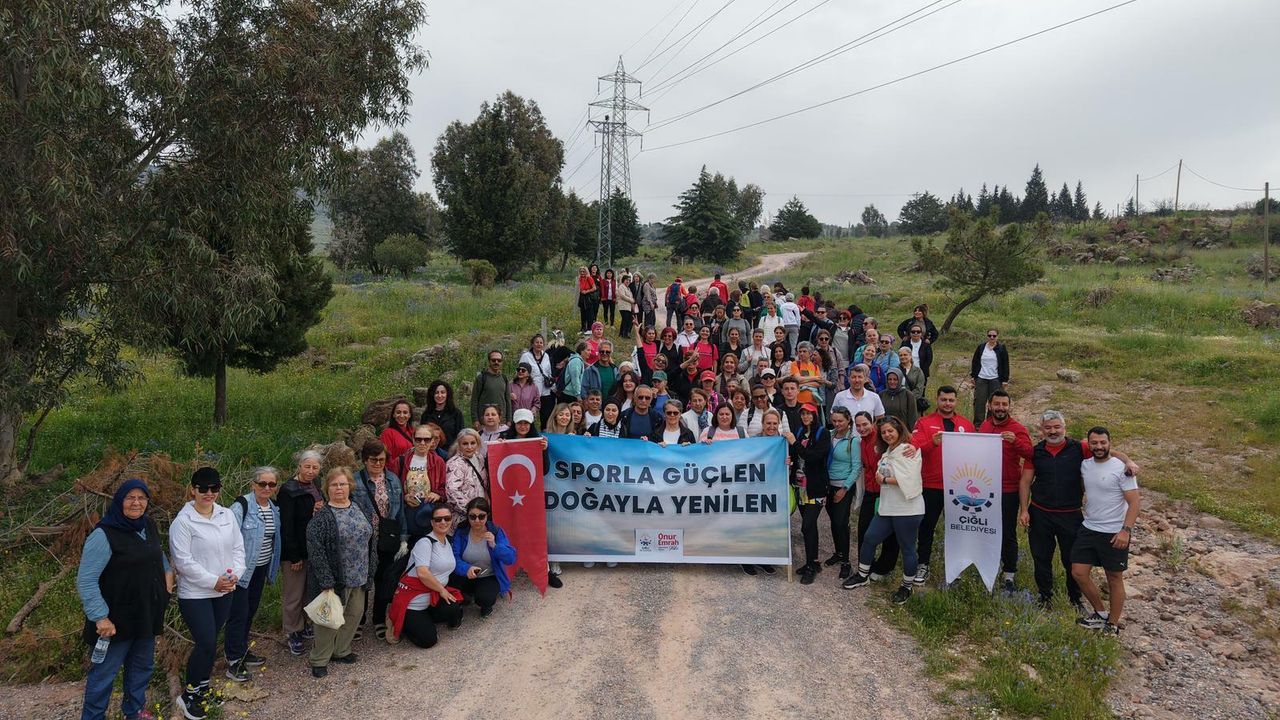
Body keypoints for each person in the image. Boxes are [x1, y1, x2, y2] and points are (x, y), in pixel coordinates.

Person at [1020, 412, 1140, 611]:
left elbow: (1106, 451)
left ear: (1064, 428)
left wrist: (1128, 461)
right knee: (1041, 557)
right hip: (1040, 513)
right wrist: (1024, 510)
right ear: (1041, 430)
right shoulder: (1036, 452)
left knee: (1072, 560)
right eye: (1048, 427)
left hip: (1071, 514)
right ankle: (1045, 597)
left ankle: (1075, 599)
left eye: (1057, 427)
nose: (1053, 431)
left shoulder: (1079, 448)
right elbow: (1025, 481)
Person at [77, 479, 173, 720]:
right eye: (130, 497)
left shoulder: (148, 525)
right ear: (119, 501)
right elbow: (86, 580)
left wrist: (166, 585)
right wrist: (100, 617)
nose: (136, 503)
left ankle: (135, 712)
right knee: (104, 675)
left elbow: (158, 556)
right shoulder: (104, 535)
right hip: (113, 622)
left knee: (141, 669)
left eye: (141, 498)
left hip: (145, 616)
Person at [171, 468, 244, 718]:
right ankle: (189, 695)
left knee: (212, 641)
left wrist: (235, 575)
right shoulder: (183, 522)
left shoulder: (227, 515)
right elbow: (183, 561)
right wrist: (213, 582)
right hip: (196, 594)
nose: (209, 493)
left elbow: (238, 548)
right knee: (205, 641)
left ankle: (202, 687)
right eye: (203, 488)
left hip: (225, 589)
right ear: (193, 490)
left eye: (214, 488)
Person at [842, 416, 924, 605]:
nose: (887, 434)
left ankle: (906, 587)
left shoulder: (908, 449)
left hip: (907, 509)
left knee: (908, 548)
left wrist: (885, 480)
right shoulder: (887, 452)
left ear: (899, 430)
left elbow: (910, 478)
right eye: (884, 432)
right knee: (870, 538)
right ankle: (863, 575)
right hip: (887, 507)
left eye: (890, 431)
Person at [305, 467, 376, 678]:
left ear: (350, 486)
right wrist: (326, 580)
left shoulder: (360, 507)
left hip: (360, 574)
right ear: (327, 488)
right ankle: (319, 659)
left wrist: (371, 568)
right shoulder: (322, 518)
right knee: (328, 621)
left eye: (343, 484)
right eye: (334, 485)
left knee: (354, 615)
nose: (339, 488)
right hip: (336, 579)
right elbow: (316, 551)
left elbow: (371, 538)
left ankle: (341, 650)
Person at [1073, 427, 1140, 635]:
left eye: (1103, 442)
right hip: (1089, 527)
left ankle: (1112, 624)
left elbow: (1135, 502)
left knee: (1114, 577)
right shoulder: (1085, 465)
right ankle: (1100, 614)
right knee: (1078, 572)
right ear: (1089, 444)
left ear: (1110, 442)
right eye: (1094, 443)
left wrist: (1125, 530)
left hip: (1114, 531)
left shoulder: (1122, 469)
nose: (1099, 446)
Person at [909, 386, 975, 586]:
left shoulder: (966, 424)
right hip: (932, 485)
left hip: (959, 487)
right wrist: (932, 443)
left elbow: (975, 452)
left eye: (951, 400)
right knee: (927, 526)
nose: (947, 403)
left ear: (956, 401)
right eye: (944, 399)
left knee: (957, 528)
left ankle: (956, 567)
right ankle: (923, 564)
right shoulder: (924, 422)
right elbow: (914, 449)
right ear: (937, 400)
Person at [223, 467, 281, 682]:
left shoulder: (274, 508)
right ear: (253, 484)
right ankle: (233, 659)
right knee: (238, 614)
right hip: (241, 571)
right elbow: (227, 538)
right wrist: (230, 570)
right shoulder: (241, 506)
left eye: (271, 484)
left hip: (261, 568)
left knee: (250, 610)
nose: (267, 488)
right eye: (262, 483)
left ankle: (242, 649)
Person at [349, 439, 408, 641]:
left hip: (387, 537)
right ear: (365, 460)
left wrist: (403, 537)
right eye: (373, 459)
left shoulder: (393, 480)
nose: (377, 463)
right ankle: (359, 619)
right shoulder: (354, 481)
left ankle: (379, 618)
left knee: (384, 579)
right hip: (364, 538)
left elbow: (400, 511)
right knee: (363, 581)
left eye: (381, 460)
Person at [978, 390, 1034, 592]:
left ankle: (1009, 572)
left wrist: (1015, 442)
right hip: (985, 487)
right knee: (985, 528)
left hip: (1008, 489)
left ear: (1010, 406)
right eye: (997, 404)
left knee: (1007, 532)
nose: (1000, 408)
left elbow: (1031, 454)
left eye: (1004, 404)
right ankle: (988, 566)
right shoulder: (985, 426)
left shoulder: (1018, 429)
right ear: (990, 405)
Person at [387, 504, 465, 647]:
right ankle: (401, 621)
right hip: (413, 602)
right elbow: (423, 573)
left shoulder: (447, 542)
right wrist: (442, 590)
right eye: (438, 519)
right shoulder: (425, 543)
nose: (443, 522)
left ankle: (424, 620)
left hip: (432, 597)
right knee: (428, 641)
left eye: (447, 518)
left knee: (453, 608)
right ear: (432, 522)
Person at [279, 451, 324, 656]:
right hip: (295, 551)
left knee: (308, 591)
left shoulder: (317, 484)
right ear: (299, 466)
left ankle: (305, 624)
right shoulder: (288, 490)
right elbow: (286, 525)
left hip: (312, 548)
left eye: (315, 467)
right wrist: (293, 556)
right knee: (294, 594)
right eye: (307, 467)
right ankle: (293, 631)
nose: (311, 471)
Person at [849, 411, 899, 582]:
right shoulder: (861, 441)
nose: (861, 428)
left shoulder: (882, 436)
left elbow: (902, 443)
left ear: (872, 423)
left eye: (865, 424)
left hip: (887, 490)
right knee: (864, 529)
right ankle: (865, 566)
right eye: (858, 425)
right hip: (870, 492)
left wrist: (912, 447)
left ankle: (885, 568)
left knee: (890, 532)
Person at [449, 497, 517, 618]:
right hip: (466, 575)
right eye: (472, 517)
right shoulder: (462, 531)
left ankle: (485, 603)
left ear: (487, 516)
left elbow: (510, 559)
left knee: (484, 598)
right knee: (449, 581)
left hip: (488, 576)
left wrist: (495, 546)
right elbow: (455, 557)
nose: (477, 520)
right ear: (467, 516)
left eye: (481, 516)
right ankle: (465, 596)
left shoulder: (495, 531)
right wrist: (466, 569)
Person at [792, 403, 832, 585]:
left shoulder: (822, 434)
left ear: (815, 415)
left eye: (809, 414)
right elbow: (797, 455)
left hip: (816, 487)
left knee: (807, 525)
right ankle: (813, 561)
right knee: (810, 526)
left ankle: (810, 566)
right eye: (803, 414)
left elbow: (814, 457)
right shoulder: (801, 432)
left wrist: (794, 443)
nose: (805, 417)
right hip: (801, 486)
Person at [824, 407, 861, 579]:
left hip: (843, 485)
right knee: (834, 521)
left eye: (840, 421)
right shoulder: (829, 435)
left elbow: (857, 467)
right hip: (828, 484)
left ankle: (846, 561)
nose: (837, 424)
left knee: (841, 522)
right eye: (834, 420)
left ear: (848, 421)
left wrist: (845, 488)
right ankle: (838, 553)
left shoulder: (853, 441)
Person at [393, 426, 447, 543]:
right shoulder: (401, 461)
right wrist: (404, 497)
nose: (422, 443)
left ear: (432, 441)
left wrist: (437, 495)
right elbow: (392, 488)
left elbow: (445, 489)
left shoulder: (439, 462)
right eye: (418, 439)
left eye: (426, 440)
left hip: (429, 514)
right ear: (413, 439)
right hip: (407, 514)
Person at [445, 429, 488, 530]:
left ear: (478, 443)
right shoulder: (455, 463)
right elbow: (452, 491)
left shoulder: (479, 458)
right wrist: (471, 511)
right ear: (459, 445)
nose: (469, 447)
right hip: (464, 518)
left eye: (472, 443)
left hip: (481, 515)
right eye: (465, 444)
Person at [970, 328, 1009, 422]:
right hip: (981, 378)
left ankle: (991, 422)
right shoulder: (981, 347)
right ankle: (978, 424)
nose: (992, 337)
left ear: (997, 337)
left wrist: (1005, 380)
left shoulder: (1001, 348)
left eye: (994, 336)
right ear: (987, 336)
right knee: (979, 402)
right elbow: (975, 361)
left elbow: (1005, 364)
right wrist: (973, 376)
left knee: (994, 402)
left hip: (995, 379)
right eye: (989, 335)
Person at [520, 334, 557, 428]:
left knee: (546, 416)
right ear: (532, 344)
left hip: (545, 391)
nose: (539, 344)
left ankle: (545, 432)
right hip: (531, 390)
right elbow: (521, 372)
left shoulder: (546, 356)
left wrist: (553, 386)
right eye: (537, 342)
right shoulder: (526, 356)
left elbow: (549, 372)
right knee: (529, 415)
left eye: (541, 342)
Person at [471, 350, 512, 427]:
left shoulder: (504, 378)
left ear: (502, 362)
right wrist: (475, 420)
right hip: (484, 422)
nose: (496, 362)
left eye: (499, 360)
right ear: (489, 361)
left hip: (501, 422)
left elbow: (508, 400)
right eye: (493, 360)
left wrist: (509, 420)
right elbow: (474, 400)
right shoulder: (481, 378)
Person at [421, 380, 465, 448]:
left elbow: (461, 435)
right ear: (432, 395)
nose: (439, 395)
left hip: (450, 451)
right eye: (436, 393)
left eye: (443, 392)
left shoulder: (456, 413)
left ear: (447, 394)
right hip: (430, 450)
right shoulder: (426, 415)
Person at [576, 266, 598, 333]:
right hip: (582, 297)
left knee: (589, 314)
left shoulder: (589, 278)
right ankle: (583, 328)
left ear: (586, 272)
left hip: (588, 297)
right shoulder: (580, 278)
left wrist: (587, 291)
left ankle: (589, 329)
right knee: (583, 313)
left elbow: (594, 288)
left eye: (584, 271)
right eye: (581, 272)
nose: (582, 273)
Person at [617, 272, 637, 336]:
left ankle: (624, 333)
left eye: (629, 280)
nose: (628, 281)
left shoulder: (628, 288)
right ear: (623, 280)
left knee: (628, 320)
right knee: (625, 320)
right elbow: (622, 296)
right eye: (627, 280)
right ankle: (623, 333)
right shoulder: (621, 286)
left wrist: (632, 301)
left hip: (628, 307)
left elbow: (631, 296)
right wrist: (631, 300)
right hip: (623, 306)